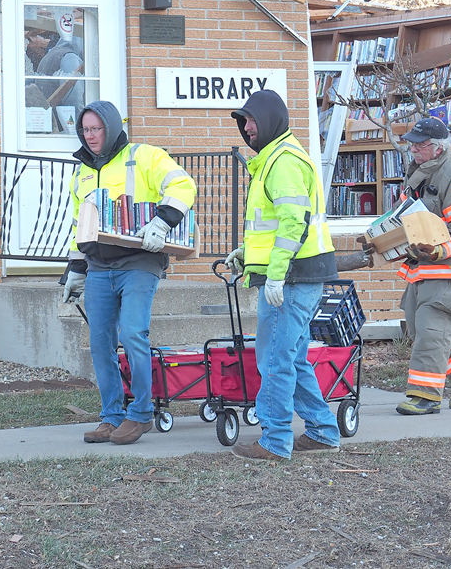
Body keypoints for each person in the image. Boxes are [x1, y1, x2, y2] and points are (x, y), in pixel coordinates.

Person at [62, 101, 197, 445]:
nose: (90, 136)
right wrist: (76, 270)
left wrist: (162, 222)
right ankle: (111, 416)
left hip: (140, 261)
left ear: (111, 126)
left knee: (133, 333)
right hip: (98, 266)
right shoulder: (83, 172)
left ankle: (140, 413)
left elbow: (183, 185)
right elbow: (81, 224)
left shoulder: (145, 156)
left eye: (97, 129)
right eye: (85, 130)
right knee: (99, 342)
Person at [224, 89, 341, 460]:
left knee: (274, 359)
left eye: (252, 120)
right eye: (244, 122)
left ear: (271, 119)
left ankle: (275, 441)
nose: (247, 128)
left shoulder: (282, 161)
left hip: (290, 280)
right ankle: (322, 431)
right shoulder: (277, 158)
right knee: (291, 357)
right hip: (297, 275)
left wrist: (274, 276)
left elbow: (294, 223)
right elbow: (278, 226)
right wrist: (250, 256)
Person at [379, 116, 451, 416]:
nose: (413, 149)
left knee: (431, 329)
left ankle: (425, 397)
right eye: (412, 144)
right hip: (424, 269)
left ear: (439, 148)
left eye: (420, 145)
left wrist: (440, 251)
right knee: (421, 327)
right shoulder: (419, 172)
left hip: (450, 272)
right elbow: (405, 217)